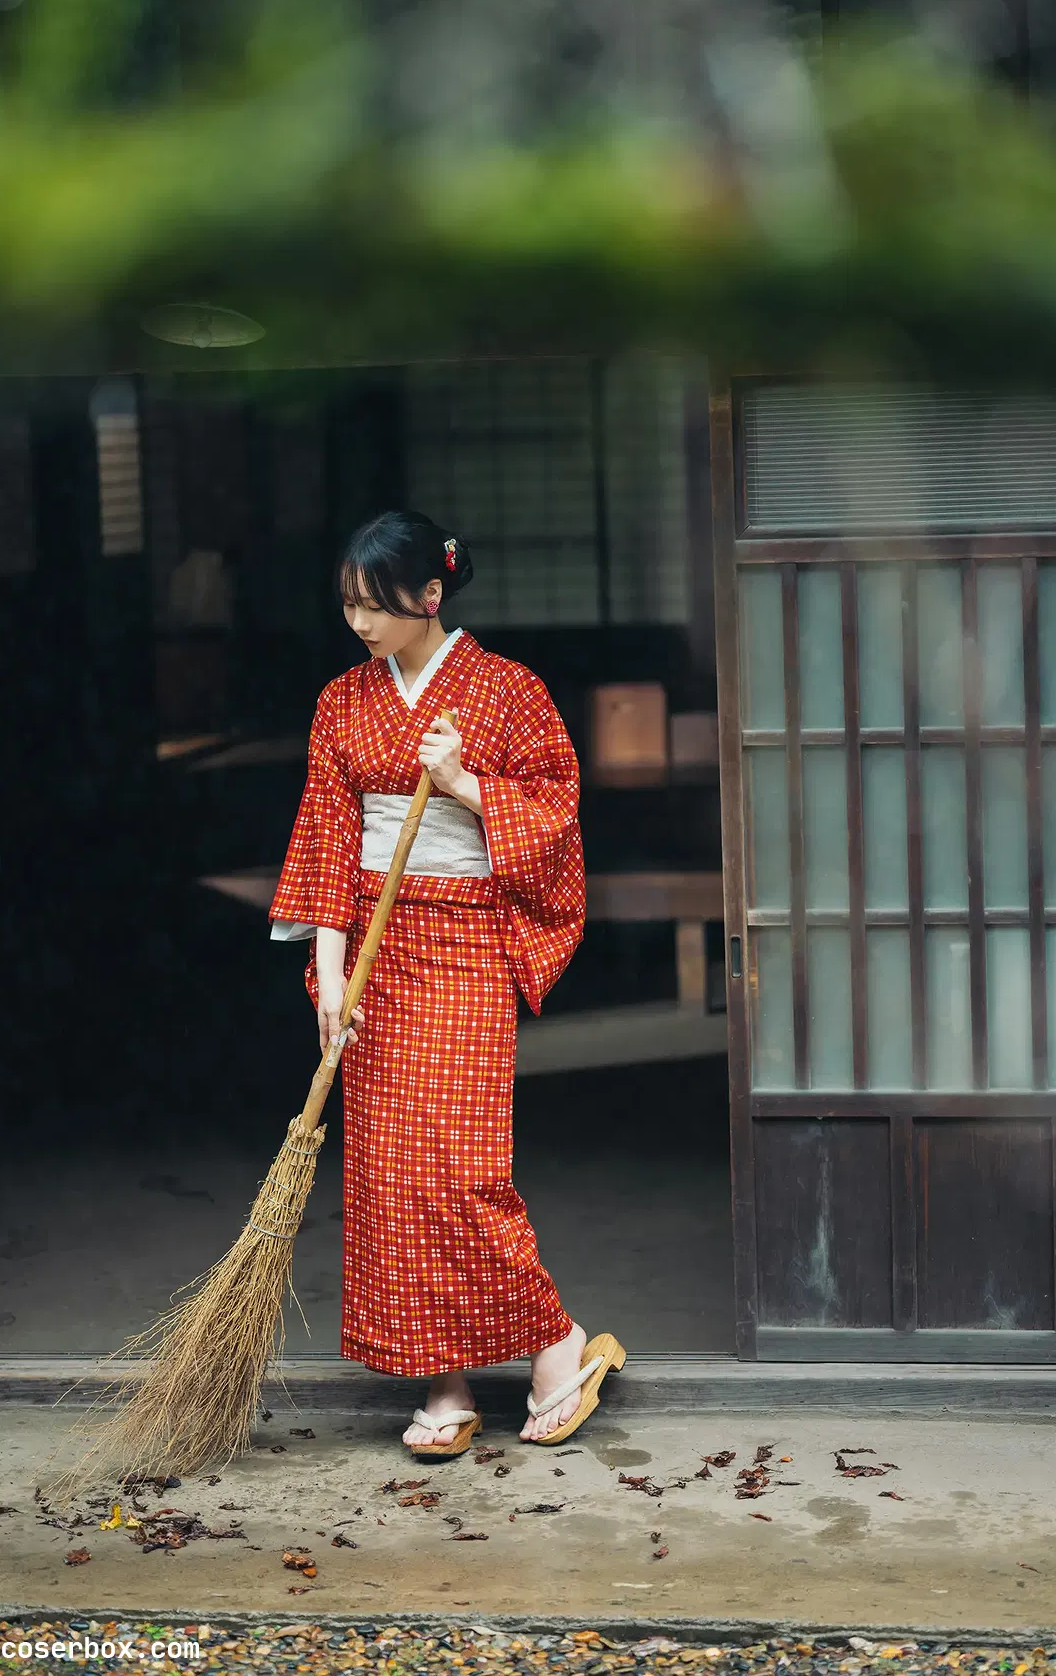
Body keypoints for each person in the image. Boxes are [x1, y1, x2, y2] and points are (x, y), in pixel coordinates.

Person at [268, 510, 624, 1456]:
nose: (359, 622)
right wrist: (331, 977)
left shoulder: (507, 691)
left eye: (375, 604)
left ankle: (557, 1343)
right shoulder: (341, 702)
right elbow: (327, 845)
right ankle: (446, 1380)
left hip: (465, 946)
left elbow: (555, 815)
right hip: (374, 953)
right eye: (348, 604)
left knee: (463, 1171)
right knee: (390, 1176)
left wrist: (465, 783)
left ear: (431, 595)